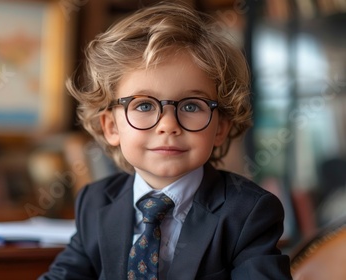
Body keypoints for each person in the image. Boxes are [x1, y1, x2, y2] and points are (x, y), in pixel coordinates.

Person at [40, 1, 292, 279]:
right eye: (145, 106)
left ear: (220, 127)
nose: (168, 125)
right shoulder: (95, 201)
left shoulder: (248, 212)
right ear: (111, 126)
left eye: (192, 106)